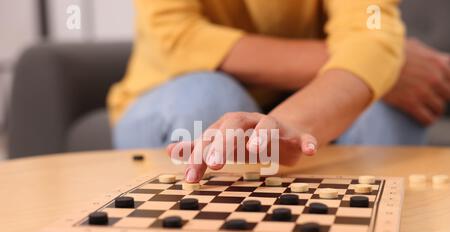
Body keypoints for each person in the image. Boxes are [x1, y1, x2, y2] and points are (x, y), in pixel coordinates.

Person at [108, 0, 450, 183]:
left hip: (300, 98)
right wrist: (379, 64)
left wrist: (287, 120)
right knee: (208, 100)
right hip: (173, 91)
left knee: (386, 107)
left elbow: (369, 32)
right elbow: (181, 39)